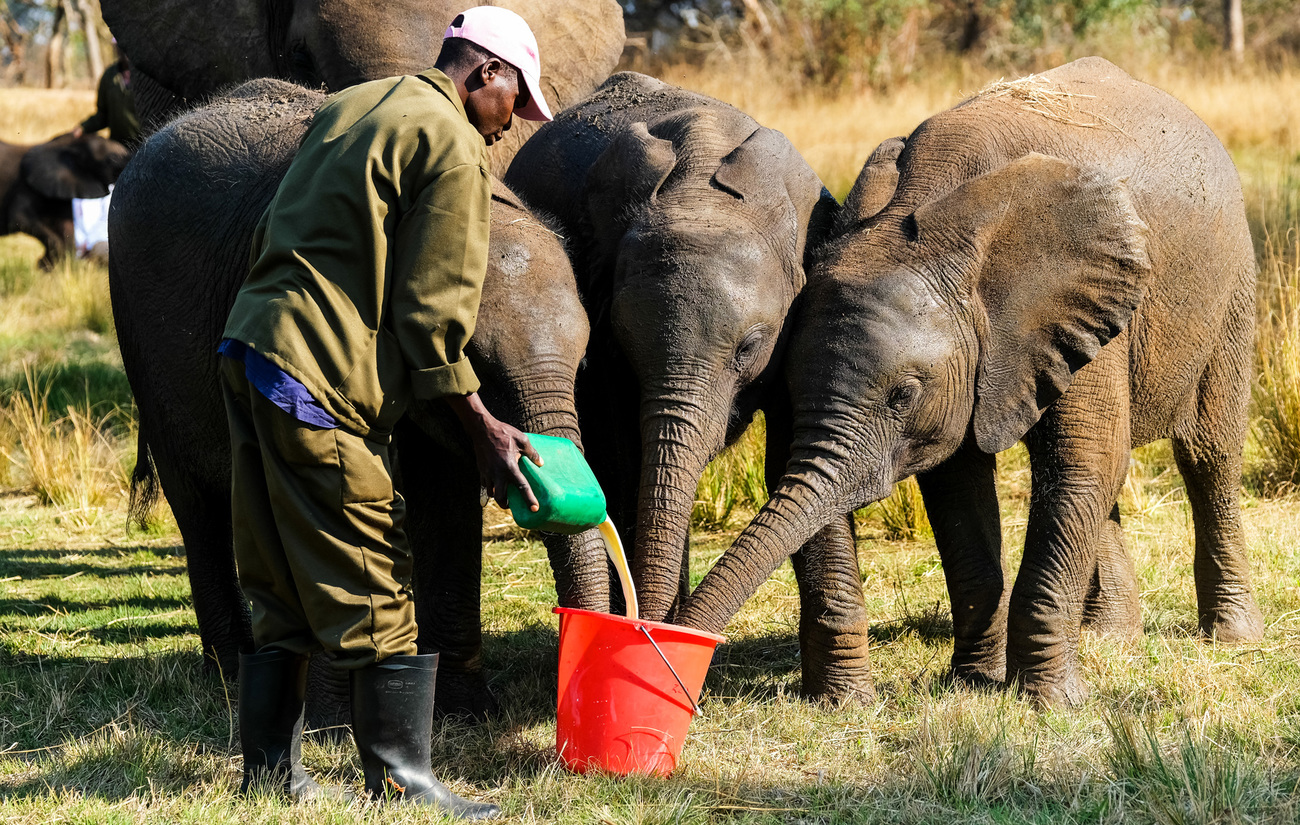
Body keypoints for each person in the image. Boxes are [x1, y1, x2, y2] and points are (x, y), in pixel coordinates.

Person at [217, 7, 554, 818]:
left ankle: (268, 775)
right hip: (320, 374)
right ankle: (404, 780)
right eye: (517, 103)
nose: (513, 126)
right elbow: (430, 316)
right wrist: (484, 427)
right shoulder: (450, 145)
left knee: (279, 573)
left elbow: (274, 227)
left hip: (250, 345)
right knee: (375, 566)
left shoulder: (352, 106)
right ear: (486, 76)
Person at [72, 40, 140, 147]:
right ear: (115, 48)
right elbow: (102, 116)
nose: (124, 50)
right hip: (118, 148)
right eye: (120, 46)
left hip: (146, 148)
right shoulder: (109, 76)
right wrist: (83, 128)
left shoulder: (147, 75)